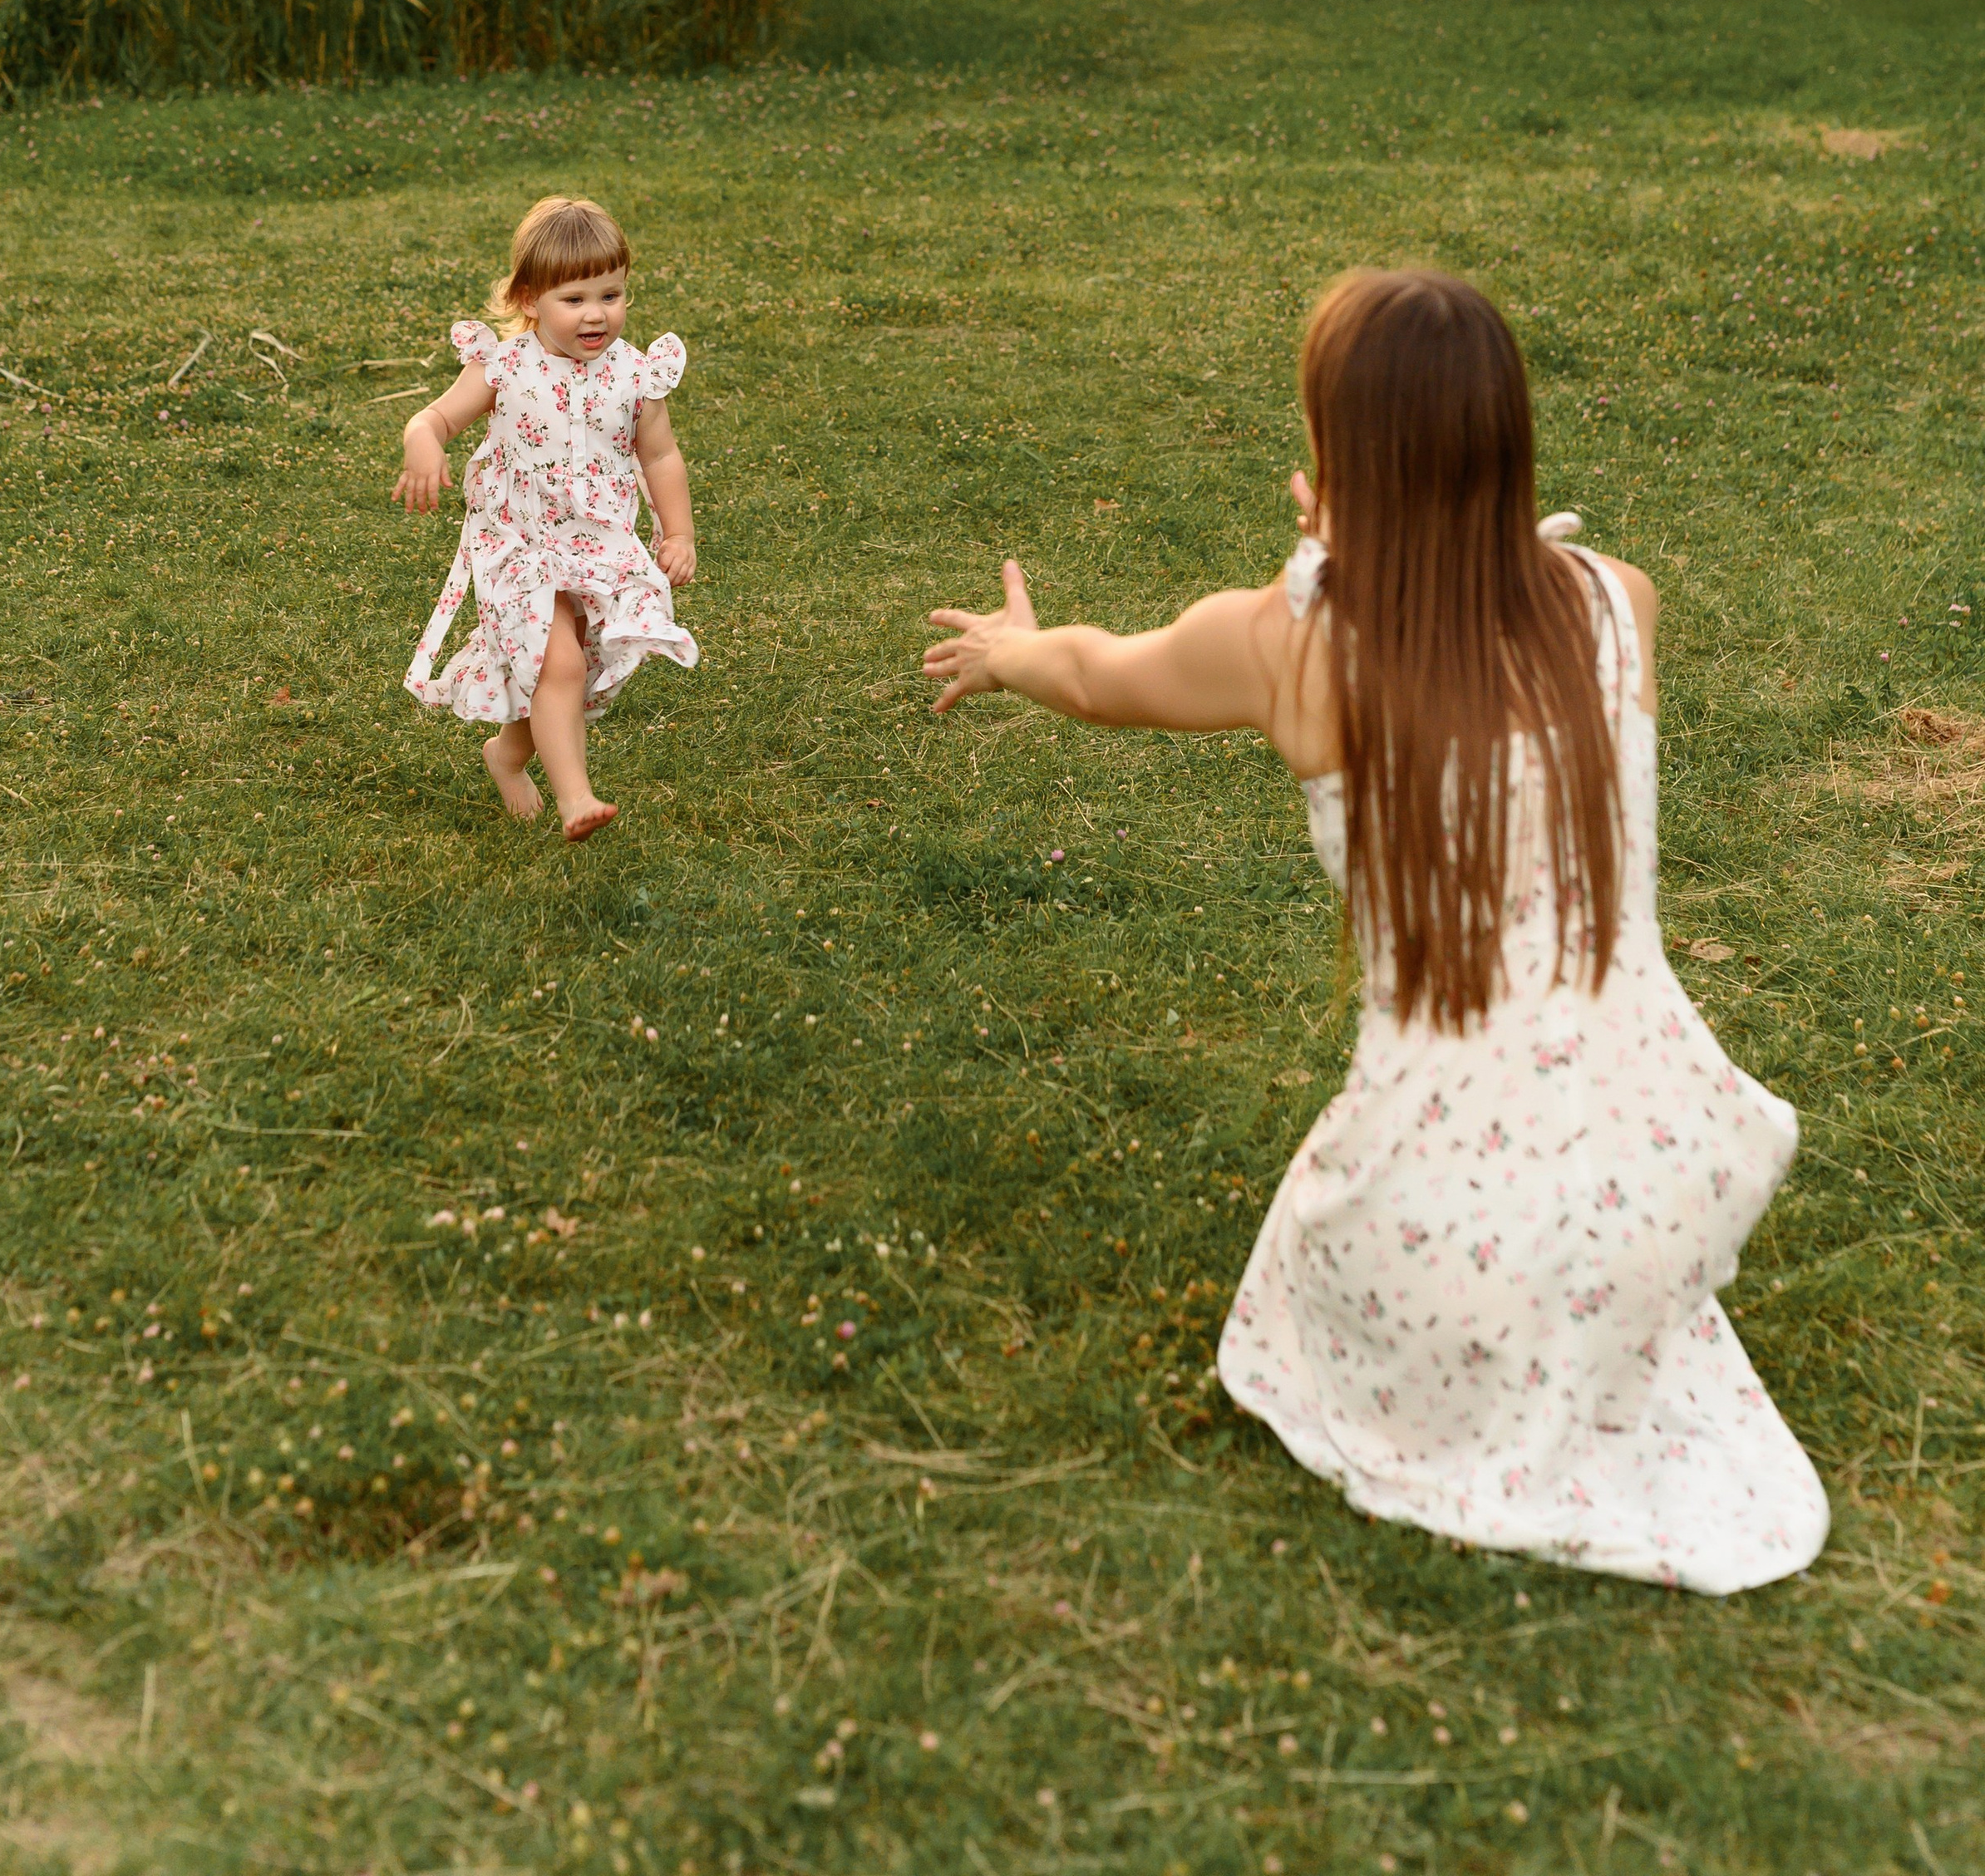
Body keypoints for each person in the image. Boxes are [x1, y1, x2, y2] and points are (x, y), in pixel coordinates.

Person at [923, 266, 1827, 1594]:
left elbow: (1103, 678)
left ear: (1328, 461)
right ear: (1507, 443)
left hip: (1439, 1243)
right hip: (1669, 1182)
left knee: (1316, 1253)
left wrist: (1015, 650)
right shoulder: (1618, 603)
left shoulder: (1296, 645)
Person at [397, 195, 697, 843]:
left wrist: (678, 533)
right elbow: (437, 418)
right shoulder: (504, 367)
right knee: (557, 665)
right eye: (576, 299)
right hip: (519, 545)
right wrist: (422, 439)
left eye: (611, 294)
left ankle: (508, 756)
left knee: (570, 672)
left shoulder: (636, 375)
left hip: (597, 548)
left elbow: (661, 455)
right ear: (530, 299)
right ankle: (576, 798)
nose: (597, 313)